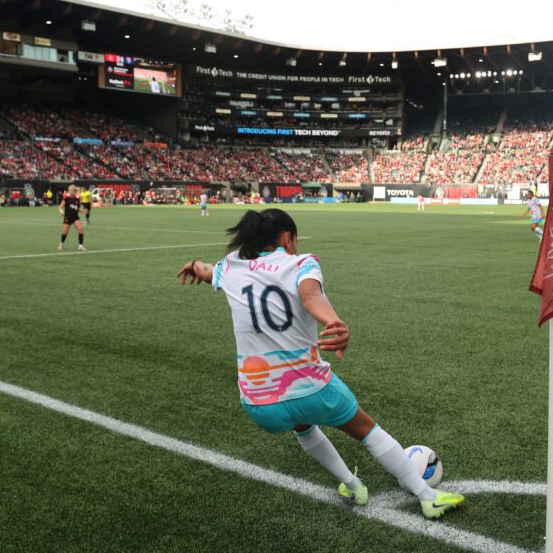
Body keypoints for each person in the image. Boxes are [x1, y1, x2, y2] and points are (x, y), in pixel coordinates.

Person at [176, 208, 465, 519]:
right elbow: (311, 296)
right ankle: (427, 495)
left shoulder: (231, 266)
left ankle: (353, 485)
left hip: (259, 403)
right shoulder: (301, 262)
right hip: (310, 388)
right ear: (287, 238)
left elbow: (207, 270)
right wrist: (334, 322)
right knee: (367, 430)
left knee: (302, 425)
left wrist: (194, 266)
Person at [58, 185, 86, 251]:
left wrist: (82, 211)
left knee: (81, 230)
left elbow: (77, 208)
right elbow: (60, 207)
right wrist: (61, 211)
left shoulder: (77, 199)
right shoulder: (66, 198)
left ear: (74, 191)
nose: (70, 191)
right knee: (64, 232)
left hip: (75, 217)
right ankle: (61, 244)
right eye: (69, 190)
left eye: (71, 190)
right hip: (68, 217)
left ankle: (80, 246)